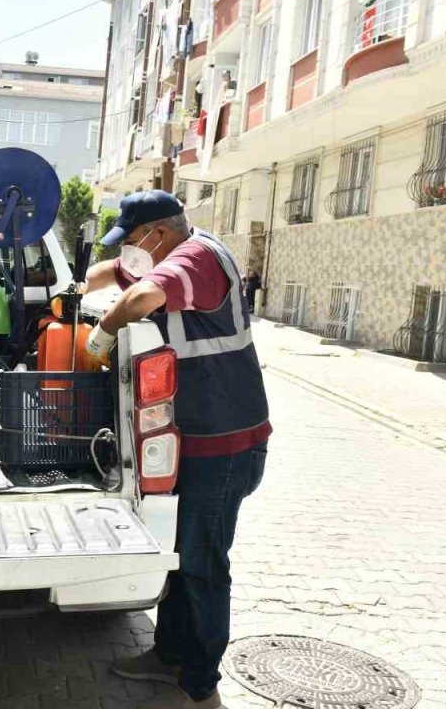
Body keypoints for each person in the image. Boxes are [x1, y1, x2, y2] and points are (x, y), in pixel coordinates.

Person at [81, 190, 272, 709]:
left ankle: (202, 686)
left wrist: (101, 332)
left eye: (133, 241)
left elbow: (141, 298)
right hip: (194, 437)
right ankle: (168, 656)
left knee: (203, 563)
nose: (130, 252)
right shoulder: (167, 254)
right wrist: (71, 287)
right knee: (180, 556)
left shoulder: (196, 260)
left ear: (158, 234)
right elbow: (112, 276)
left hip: (226, 444)